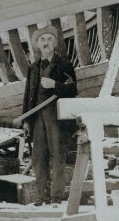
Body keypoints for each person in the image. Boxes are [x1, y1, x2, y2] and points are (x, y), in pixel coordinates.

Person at [22, 25, 78, 206]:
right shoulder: (33, 68)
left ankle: (56, 196)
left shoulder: (65, 65)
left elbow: (73, 89)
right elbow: (27, 96)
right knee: (38, 157)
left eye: (49, 39)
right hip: (37, 118)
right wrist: (26, 120)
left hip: (56, 118)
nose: (46, 43)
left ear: (55, 44)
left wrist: (54, 85)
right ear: (38, 45)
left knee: (57, 156)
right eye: (42, 40)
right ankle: (42, 196)